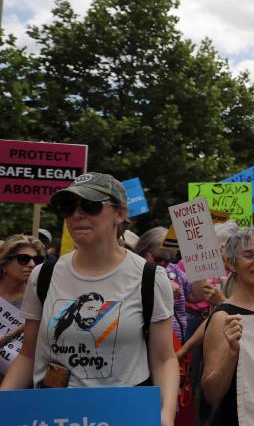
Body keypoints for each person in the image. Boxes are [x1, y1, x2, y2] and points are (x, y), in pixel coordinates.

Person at [1, 173, 178, 426]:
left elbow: (164, 358)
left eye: (91, 205)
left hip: (123, 415)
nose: (77, 214)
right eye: (68, 207)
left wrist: (166, 414)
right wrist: (3, 405)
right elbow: (28, 355)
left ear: (119, 214)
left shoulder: (150, 278)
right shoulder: (43, 276)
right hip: (54, 415)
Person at [201, 227, 254, 426]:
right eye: (248, 255)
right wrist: (232, 352)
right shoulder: (223, 318)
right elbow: (211, 394)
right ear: (232, 264)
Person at [134, 227, 196, 344]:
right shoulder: (132, 270)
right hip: (148, 344)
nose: (163, 264)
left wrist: (199, 257)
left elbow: (195, 293)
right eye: (158, 259)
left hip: (178, 343)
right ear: (142, 250)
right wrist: (163, 288)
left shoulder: (174, 270)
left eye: (168, 260)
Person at [0, 235, 46, 382]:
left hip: (17, 383)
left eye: (37, 260)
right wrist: (20, 329)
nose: (32, 264)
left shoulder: (40, 300)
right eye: (23, 259)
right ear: (4, 264)